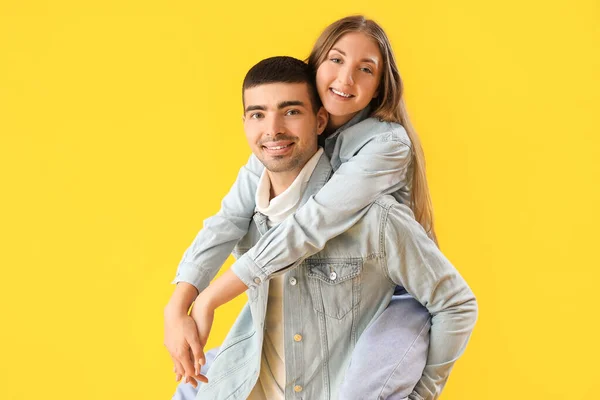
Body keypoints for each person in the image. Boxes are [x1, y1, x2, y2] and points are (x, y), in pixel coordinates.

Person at [165, 16, 478, 399]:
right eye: (336, 60)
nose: (346, 79)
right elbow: (227, 219)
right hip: (320, 299)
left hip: (396, 294)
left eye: (366, 69)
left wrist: (214, 295)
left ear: (381, 85)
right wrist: (178, 304)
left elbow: (314, 223)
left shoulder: (386, 145)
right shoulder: (288, 142)